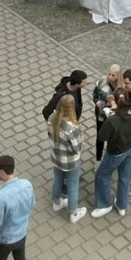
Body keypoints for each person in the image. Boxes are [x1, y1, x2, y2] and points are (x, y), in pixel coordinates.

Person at [91, 89, 131, 218]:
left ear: (116, 103)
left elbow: (102, 137)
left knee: (102, 175)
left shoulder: (112, 120)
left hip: (115, 152)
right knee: (125, 176)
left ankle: (104, 204)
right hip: (130, 148)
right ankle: (122, 205)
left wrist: (111, 115)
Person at [49, 95, 86, 223]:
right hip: (71, 162)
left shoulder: (52, 118)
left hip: (56, 157)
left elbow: (50, 134)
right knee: (73, 185)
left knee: (58, 179)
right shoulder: (72, 128)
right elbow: (77, 147)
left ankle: (57, 202)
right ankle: (73, 211)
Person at [92, 65, 123, 161]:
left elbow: (124, 103)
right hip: (101, 114)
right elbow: (95, 94)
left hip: (115, 117)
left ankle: (110, 157)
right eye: (109, 74)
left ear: (118, 76)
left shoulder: (121, 88)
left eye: (113, 75)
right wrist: (97, 101)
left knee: (113, 137)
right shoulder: (102, 81)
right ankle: (98, 159)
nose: (110, 77)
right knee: (100, 136)